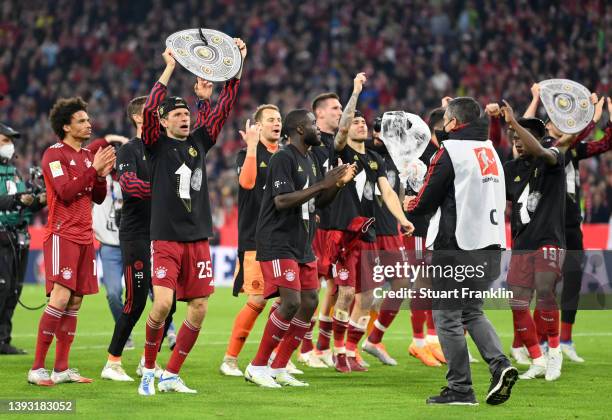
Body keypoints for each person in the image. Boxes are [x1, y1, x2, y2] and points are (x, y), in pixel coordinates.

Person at [137, 40, 245, 396]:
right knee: (164, 303)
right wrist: (169, 68)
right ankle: (149, 369)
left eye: (187, 114)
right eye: (178, 115)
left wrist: (235, 65)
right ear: (164, 122)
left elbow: (224, 107)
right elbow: (151, 108)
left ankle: (170, 373)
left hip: (197, 238)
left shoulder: (199, 140)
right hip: (165, 237)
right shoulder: (154, 145)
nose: (185, 118)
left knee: (199, 308)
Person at [406, 97, 517, 406]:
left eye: (446, 120)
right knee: (471, 311)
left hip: (456, 246)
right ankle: (500, 364)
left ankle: (460, 389)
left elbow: (426, 202)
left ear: (453, 124)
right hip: (491, 244)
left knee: (447, 318)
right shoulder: (490, 150)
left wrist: (409, 203)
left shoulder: (449, 152)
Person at [244, 109, 356, 387]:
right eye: (314, 125)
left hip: (301, 242)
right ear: (300, 130)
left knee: (309, 303)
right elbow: (281, 201)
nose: (319, 129)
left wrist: (337, 185)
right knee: (291, 302)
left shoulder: (310, 160)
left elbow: (319, 202)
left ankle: (279, 366)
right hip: (278, 240)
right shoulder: (283, 157)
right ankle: (257, 366)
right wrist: (322, 184)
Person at [329, 73, 414, 373]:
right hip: (345, 233)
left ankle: (352, 348)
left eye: (363, 122)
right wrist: (354, 91)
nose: (360, 123)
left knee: (367, 296)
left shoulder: (374, 160)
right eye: (356, 121)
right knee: (347, 293)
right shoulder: (342, 151)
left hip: (368, 233)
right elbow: (341, 130)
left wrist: (402, 219)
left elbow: (388, 192)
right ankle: (337, 349)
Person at [27, 97, 116, 386]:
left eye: (88, 119)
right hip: (62, 233)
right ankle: (37, 368)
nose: (89, 123)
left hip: (85, 236)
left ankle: (61, 369)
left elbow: (99, 197)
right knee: (61, 297)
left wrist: (101, 175)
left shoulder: (90, 156)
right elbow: (65, 191)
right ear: (66, 126)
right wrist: (94, 171)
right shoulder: (54, 155)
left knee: (75, 301)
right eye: (81, 120)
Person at [523, 86, 612, 363]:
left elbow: (603, 144)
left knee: (572, 282)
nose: (557, 129)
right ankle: (536, 342)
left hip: (571, 226)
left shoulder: (572, 152)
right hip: (547, 227)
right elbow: (571, 134)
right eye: (552, 124)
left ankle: (565, 340)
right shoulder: (545, 151)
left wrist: (605, 119)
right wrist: (593, 115)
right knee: (544, 286)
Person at [100, 97, 179, 382]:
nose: (160, 118)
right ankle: (112, 362)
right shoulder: (129, 151)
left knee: (169, 304)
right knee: (135, 302)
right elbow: (130, 186)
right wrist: (163, 188)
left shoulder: (164, 150)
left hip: (163, 235)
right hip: (136, 235)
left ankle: (149, 361)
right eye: (156, 114)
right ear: (138, 118)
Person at [219, 104, 282, 376]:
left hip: (283, 238)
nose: (276, 123)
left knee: (287, 301)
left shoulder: (286, 157)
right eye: (270, 120)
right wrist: (254, 148)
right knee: (257, 300)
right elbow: (246, 183)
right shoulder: (246, 154)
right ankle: (230, 359)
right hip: (255, 238)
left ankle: (276, 358)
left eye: (279, 119)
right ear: (258, 126)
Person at [0, 123, 46, 355]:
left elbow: (25, 208)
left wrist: (40, 200)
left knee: (13, 290)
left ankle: (3, 340)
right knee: (2, 287)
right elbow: (11, 200)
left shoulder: (15, 172)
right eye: (5, 140)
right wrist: (19, 198)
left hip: (17, 237)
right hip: (1, 238)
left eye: (10, 141)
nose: (10, 145)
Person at [309, 92, 344, 368]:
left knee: (334, 287)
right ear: (319, 114)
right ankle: (305, 348)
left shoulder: (336, 145)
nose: (339, 111)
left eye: (340, 107)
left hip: (338, 223)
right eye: (335, 108)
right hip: (317, 223)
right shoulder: (311, 144)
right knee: (310, 287)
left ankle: (321, 348)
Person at [91, 135, 130, 349]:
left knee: (155, 290)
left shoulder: (133, 176)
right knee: (114, 294)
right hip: (109, 248)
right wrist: (109, 138)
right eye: (110, 156)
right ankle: (124, 332)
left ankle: (168, 331)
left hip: (134, 244)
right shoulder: (99, 178)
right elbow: (89, 151)